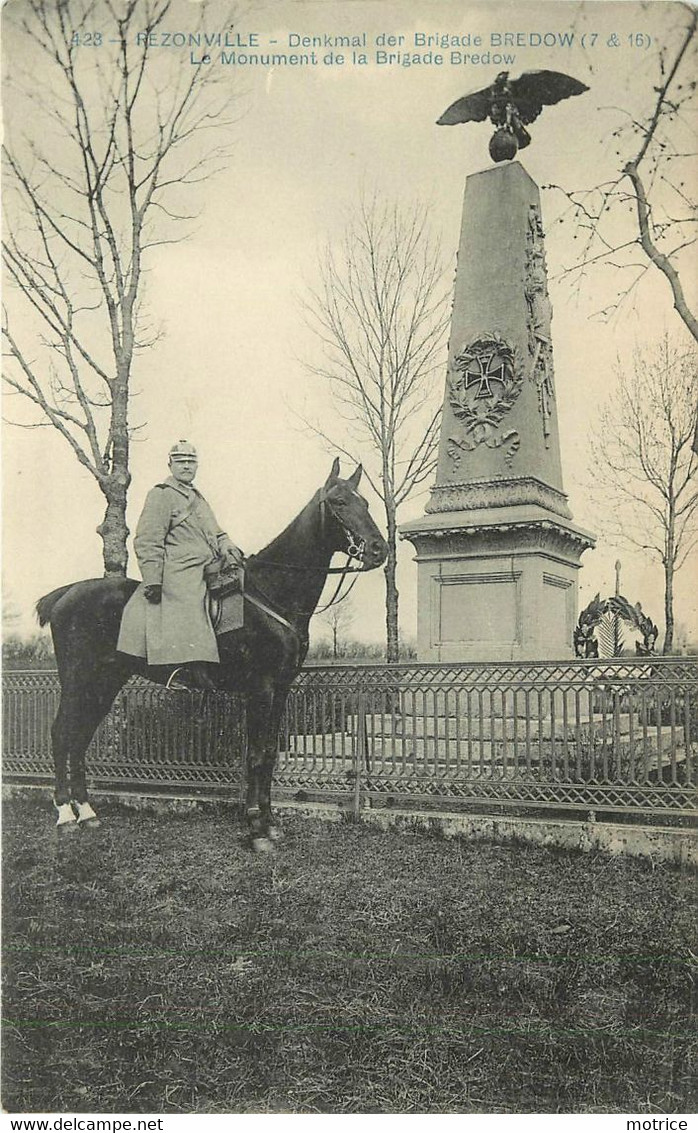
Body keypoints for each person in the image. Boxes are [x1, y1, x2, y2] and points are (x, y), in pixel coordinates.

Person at [117, 440, 243, 689]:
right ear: (170, 464)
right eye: (181, 461)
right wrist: (153, 578)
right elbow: (147, 539)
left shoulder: (198, 498)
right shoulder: (161, 494)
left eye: (191, 461)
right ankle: (178, 669)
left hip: (209, 564)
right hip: (179, 569)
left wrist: (228, 546)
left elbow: (216, 533)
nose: (186, 466)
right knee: (189, 597)